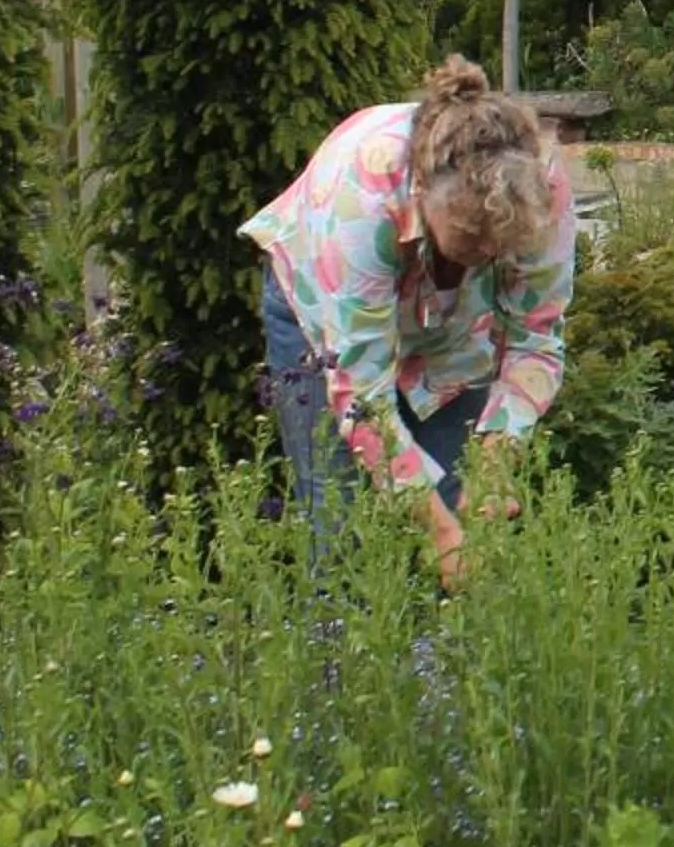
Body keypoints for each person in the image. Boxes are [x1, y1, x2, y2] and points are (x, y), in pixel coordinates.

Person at [240, 56, 576, 588]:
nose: (488, 252)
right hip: (326, 318)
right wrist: (441, 536)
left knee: (467, 509)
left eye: (502, 242)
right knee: (347, 533)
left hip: (450, 326)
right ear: (422, 192)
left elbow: (535, 340)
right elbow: (363, 398)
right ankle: (344, 660)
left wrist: (496, 455)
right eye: (470, 236)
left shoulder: (539, 185)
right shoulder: (364, 199)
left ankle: (441, 665)